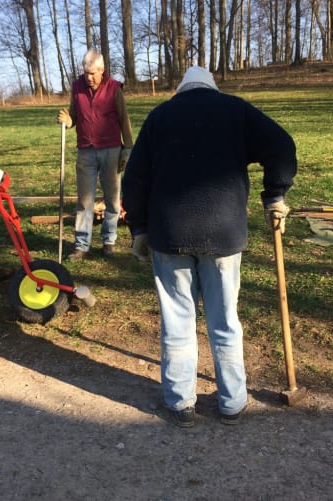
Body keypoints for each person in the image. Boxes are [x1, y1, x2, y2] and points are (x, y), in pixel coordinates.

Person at [121, 66, 297, 428]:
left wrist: (138, 227)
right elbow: (281, 145)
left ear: (180, 89)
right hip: (224, 232)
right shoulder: (235, 111)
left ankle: (180, 402)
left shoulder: (160, 116)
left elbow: (135, 176)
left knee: (177, 321)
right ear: (212, 87)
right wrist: (274, 194)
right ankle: (232, 403)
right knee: (224, 321)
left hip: (168, 233)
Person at [57, 49, 134, 260]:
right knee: (84, 200)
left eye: (92, 73)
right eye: (85, 72)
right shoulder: (77, 87)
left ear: (102, 71)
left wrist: (128, 148)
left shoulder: (114, 89)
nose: (88, 77)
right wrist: (68, 121)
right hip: (86, 151)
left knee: (113, 199)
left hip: (111, 150)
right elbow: (74, 116)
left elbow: (124, 118)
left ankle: (109, 241)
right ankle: (82, 245)